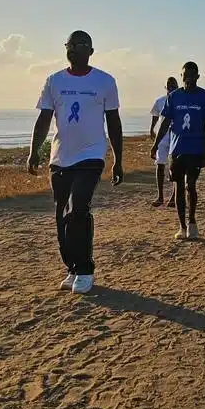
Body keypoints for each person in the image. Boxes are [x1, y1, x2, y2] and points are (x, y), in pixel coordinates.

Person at [28, 30, 124, 295]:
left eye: (82, 45)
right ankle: (71, 267)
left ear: (91, 51)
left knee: (78, 208)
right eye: (71, 44)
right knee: (62, 215)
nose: (75, 49)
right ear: (66, 48)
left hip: (91, 155)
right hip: (60, 158)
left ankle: (85, 269)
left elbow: (113, 123)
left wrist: (117, 159)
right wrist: (34, 151)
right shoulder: (54, 81)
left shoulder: (104, 81)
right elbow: (45, 118)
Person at [152, 62, 205, 240]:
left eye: (191, 75)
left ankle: (192, 222)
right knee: (178, 186)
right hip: (177, 149)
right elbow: (165, 122)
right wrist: (156, 143)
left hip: (196, 149)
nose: (188, 78)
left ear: (197, 76)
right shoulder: (174, 97)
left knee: (191, 186)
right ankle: (182, 226)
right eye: (185, 75)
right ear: (181, 77)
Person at [149, 77, 179, 208]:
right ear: (165, 87)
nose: (171, 87)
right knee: (160, 165)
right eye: (169, 85)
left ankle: (174, 196)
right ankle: (160, 196)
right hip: (162, 137)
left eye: (174, 85)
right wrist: (151, 130)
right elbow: (155, 117)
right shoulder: (160, 101)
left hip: (176, 136)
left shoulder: (180, 99)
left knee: (175, 167)